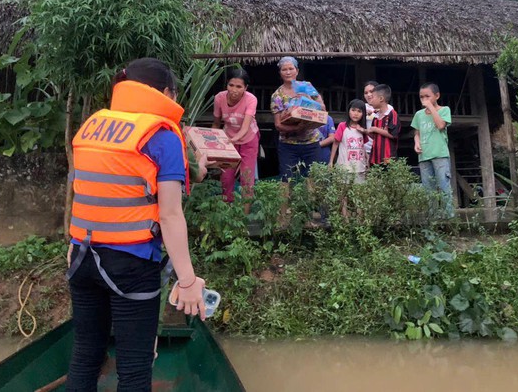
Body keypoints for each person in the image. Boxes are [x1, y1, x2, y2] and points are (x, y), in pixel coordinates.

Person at [65, 58, 205, 391]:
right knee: (134, 369)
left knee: (85, 357)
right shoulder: (161, 135)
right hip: (130, 264)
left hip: (80, 257)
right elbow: (169, 214)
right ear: (167, 93)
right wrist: (187, 280)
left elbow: (92, 190)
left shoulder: (93, 124)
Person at [270, 56, 326, 179]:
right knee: (286, 178)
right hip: (288, 144)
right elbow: (278, 125)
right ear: (280, 73)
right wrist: (297, 128)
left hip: (311, 142)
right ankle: (286, 199)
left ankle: (311, 199)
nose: (288, 72)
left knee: (313, 177)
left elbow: (322, 108)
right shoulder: (277, 96)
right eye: (284, 69)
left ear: (297, 71)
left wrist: (308, 98)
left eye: (291, 68)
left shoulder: (307, 86)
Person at [212, 68, 260, 213]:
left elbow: (245, 128)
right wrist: (213, 140)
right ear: (227, 84)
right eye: (231, 85)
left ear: (245, 88)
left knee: (247, 176)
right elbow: (216, 123)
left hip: (248, 139)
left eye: (239, 87)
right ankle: (227, 212)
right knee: (226, 177)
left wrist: (232, 140)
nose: (234, 90)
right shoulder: (219, 98)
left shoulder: (251, 99)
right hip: (228, 139)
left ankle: (245, 215)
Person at [411, 82, 453, 217]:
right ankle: (433, 216)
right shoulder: (418, 114)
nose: (424, 99)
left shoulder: (444, 109)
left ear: (437, 96)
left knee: (444, 185)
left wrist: (430, 107)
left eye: (427, 96)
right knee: (428, 188)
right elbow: (417, 132)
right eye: (421, 97)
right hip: (424, 155)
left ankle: (448, 216)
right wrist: (416, 142)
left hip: (440, 154)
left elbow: (441, 125)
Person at [329, 99, 369, 183]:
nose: (355, 113)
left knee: (359, 191)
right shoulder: (342, 126)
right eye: (353, 110)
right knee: (343, 192)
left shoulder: (362, 129)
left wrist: (367, 160)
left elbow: (362, 146)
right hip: (345, 166)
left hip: (360, 167)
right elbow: (335, 143)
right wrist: (331, 161)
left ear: (363, 114)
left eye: (359, 111)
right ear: (348, 111)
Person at [367, 84, 400, 166]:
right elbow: (373, 135)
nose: (370, 99)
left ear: (381, 98)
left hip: (388, 158)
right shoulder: (375, 116)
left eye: (373, 97)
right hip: (375, 158)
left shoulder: (392, 114)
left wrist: (375, 129)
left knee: (388, 177)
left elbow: (393, 134)